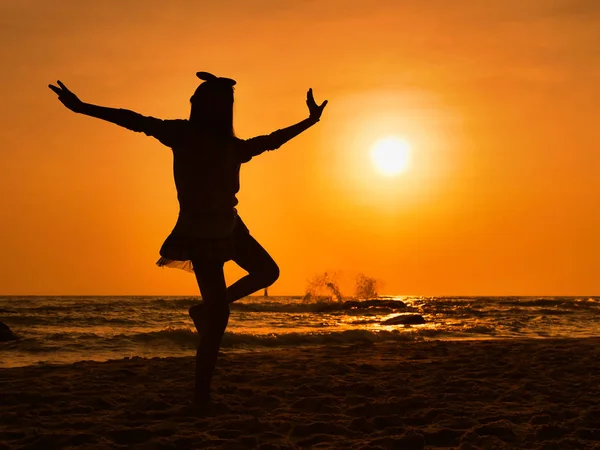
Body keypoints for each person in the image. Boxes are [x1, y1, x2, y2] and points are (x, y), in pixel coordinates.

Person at [48, 72, 327, 405]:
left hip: (232, 226)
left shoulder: (232, 146)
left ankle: (203, 310)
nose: (220, 106)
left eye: (224, 102)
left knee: (267, 272)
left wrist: (310, 121)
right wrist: (83, 108)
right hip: (200, 234)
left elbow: (272, 140)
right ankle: (201, 394)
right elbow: (133, 120)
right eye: (215, 100)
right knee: (220, 318)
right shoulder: (183, 133)